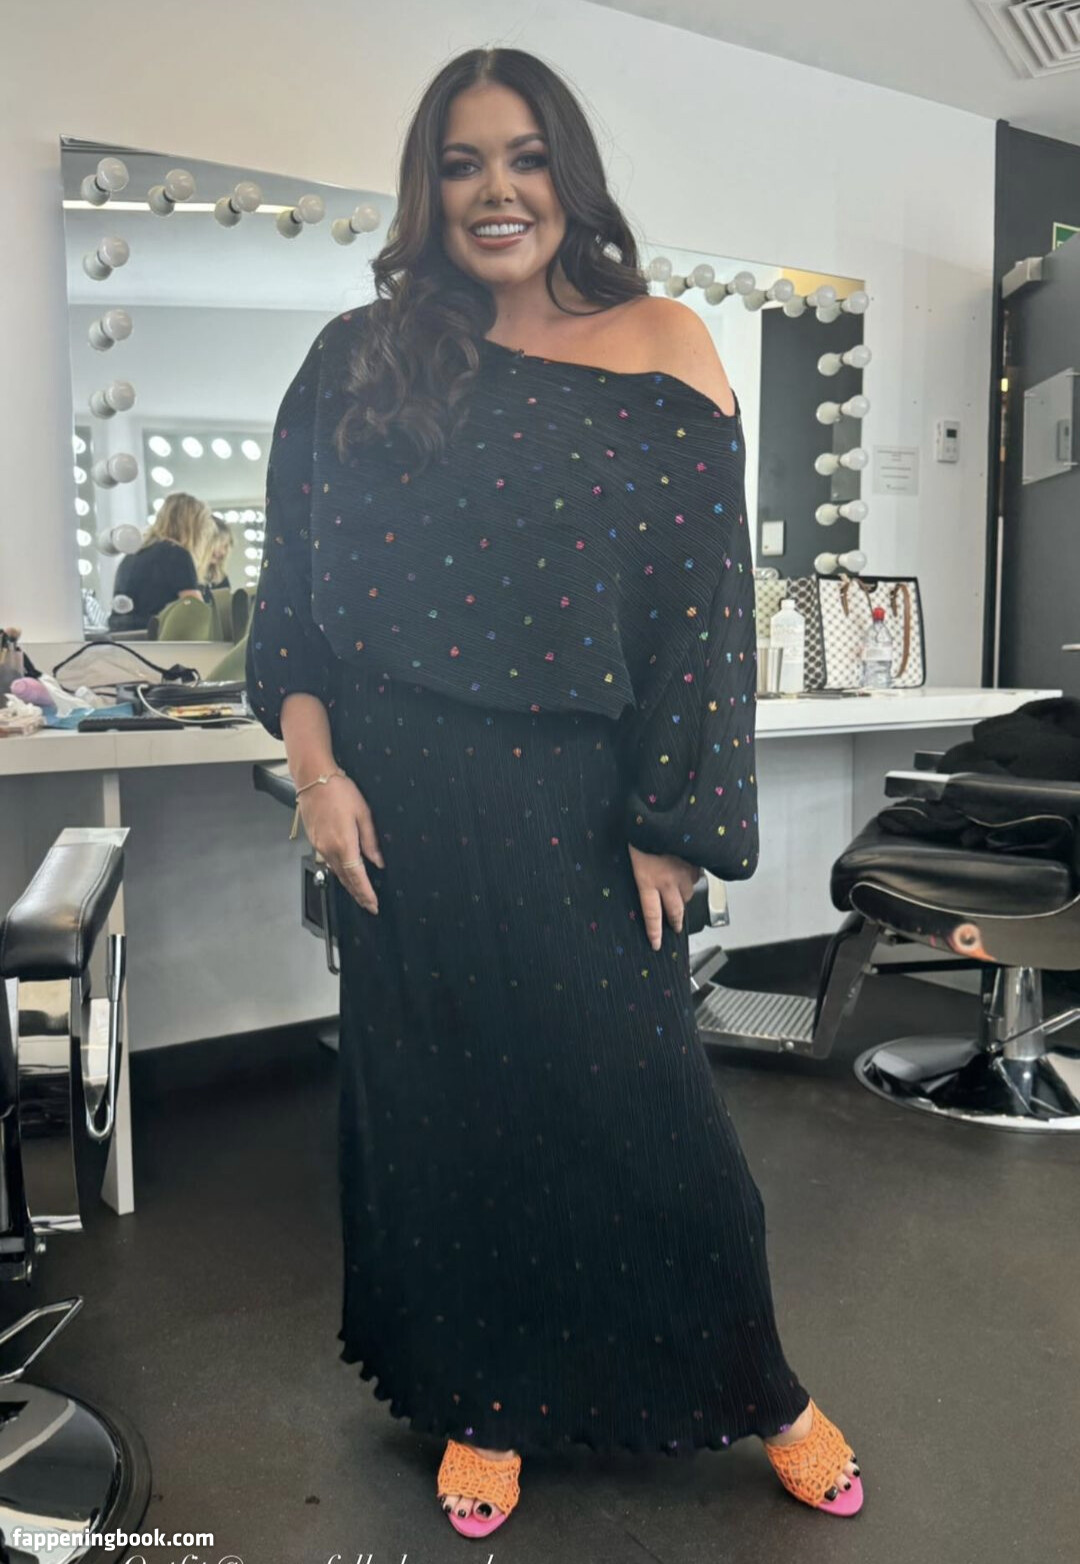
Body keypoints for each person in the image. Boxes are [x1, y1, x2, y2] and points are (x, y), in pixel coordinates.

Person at [245, 45, 863, 1539]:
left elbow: (704, 617)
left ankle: (766, 1387)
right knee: (445, 1111)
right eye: (461, 163)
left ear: (567, 174)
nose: (495, 191)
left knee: (646, 1108)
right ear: (427, 187)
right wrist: (317, 779)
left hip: (581, 806)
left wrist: (674, 822)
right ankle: (488, 1395)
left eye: (523, 157)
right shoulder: (359, 357)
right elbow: (301, 608)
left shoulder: (663, 342)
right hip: (396, 802)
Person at [107, 492, 217, 632]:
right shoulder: (176, 554)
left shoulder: (134, 553)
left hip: (122, 637)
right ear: (194, 528)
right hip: (155, 637)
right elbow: (196, 611)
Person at [203, 516, 235, 594]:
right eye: (219, 545)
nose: (223, 552)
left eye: (225, 546)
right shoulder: (185, 577)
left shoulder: (221, 579)